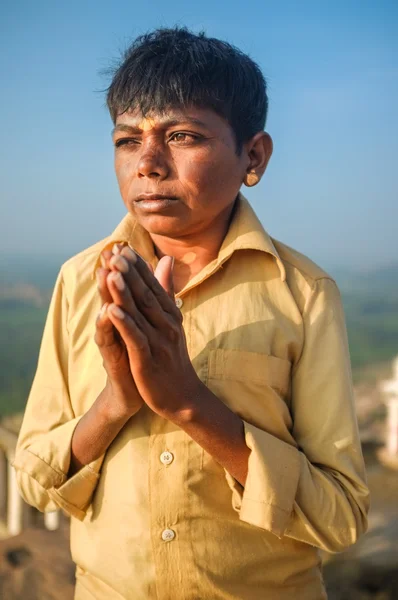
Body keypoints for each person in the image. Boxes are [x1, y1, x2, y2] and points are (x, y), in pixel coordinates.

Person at [13, 27, 369, 600]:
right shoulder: (82, 280)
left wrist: (188, 402)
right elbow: (34, 477)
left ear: (253, 155)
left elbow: (341, 516)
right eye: (128, 140)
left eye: (182, 135)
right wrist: (116, 403)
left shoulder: (302, 292)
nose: (148, 163)